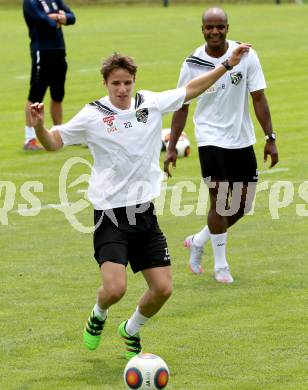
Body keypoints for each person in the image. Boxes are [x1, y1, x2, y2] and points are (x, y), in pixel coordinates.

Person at [29, 47, 249, 359]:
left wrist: (227, 64)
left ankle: (130, 329)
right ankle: (98, 314)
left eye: (127, 83)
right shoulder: (93, 115)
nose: (122, 89)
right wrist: (38, 126)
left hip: (144, 212)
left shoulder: (150, 103)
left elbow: (191, 89)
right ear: (105, 83)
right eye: (115, 83)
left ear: (134, 81)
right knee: (115, 289)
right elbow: (53, 142)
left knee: (163, 289)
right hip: (110, 214)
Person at [164, 7, 278, 284]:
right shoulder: (192, 62)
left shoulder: (246, 55)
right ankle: (221, 266)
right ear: (202, 29)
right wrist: (171, 146)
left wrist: (270, 138)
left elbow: (259, 98)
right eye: (209, 27)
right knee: (220, 200)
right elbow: (182, 106)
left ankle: (199, 239)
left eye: (220, 27)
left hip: (241, 138)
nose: (214, 32)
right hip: (209, 138)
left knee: (243, 205)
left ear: (228, 27)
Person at [23, 0, 76, 150]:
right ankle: (29, 139)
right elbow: (44, 21)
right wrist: (59, 18)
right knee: (35, 95)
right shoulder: (30, 2)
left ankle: (59, 134)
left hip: (59, 51)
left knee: (58, 95)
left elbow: (72, 17)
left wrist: (58, 18)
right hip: (42, 52)